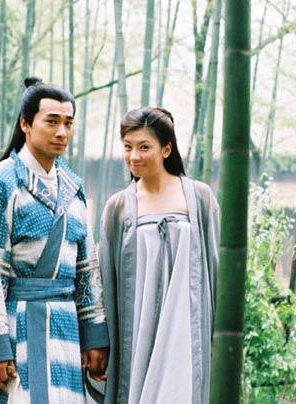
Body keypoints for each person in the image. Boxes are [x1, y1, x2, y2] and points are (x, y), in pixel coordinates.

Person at [0, 77, 109, 403]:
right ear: (26, 124)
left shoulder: (73, 188)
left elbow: (86, 270)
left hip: (65, 329)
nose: (62, 132)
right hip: (18, 327)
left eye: (68, 123)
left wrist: (94, 334)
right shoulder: (0, 183)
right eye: (52, 121)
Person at [99, 107, 219, 404]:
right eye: (127, 147)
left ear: (166, 149)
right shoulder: (118, 207)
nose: (133, 157)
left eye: (144, 147)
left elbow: (216, 269)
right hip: (138, 331)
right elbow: (106, 281)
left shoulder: (200, 198)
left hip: (187, 324)